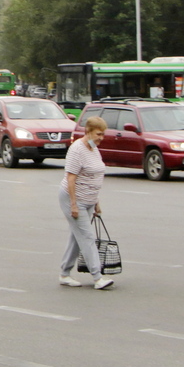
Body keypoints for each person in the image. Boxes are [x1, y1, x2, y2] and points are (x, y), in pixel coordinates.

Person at [58, 115, 113, 289]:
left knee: (77, 237)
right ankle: (98, 278)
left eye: (103, 135)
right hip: (74, 199)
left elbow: (94, 175)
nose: (101, 138)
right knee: (87, 237)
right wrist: (73, 204)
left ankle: (64, 273)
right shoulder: (77, 149)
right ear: (88, 132)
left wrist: (96, 201)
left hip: (89, 199)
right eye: (98, 134)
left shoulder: (93, 148)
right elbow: (71, 178)